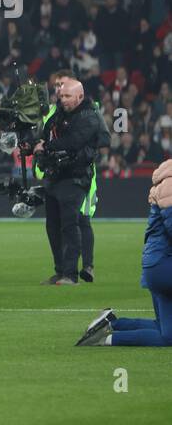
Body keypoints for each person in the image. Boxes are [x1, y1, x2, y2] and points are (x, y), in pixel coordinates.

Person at [77, 163, 172, 346]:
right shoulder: (170, 185)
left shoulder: (166, 182)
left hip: (158, 264)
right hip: (163, 265)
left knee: (164, 328)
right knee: (167, 337)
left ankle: (111, 323)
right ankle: (106, 339)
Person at [35, 77, 106, 285]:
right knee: (53, 225)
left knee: (70, 223)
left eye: (67, 96)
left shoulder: (89, 116)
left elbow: (74, 141)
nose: (63, 99)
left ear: (80, 96)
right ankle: (60, 270)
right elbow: (46, 134)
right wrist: (38, 144)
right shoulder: (57, 115)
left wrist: (46, 147)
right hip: (55, 176)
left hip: (75, 177)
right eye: (61, 96)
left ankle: (71, 274)